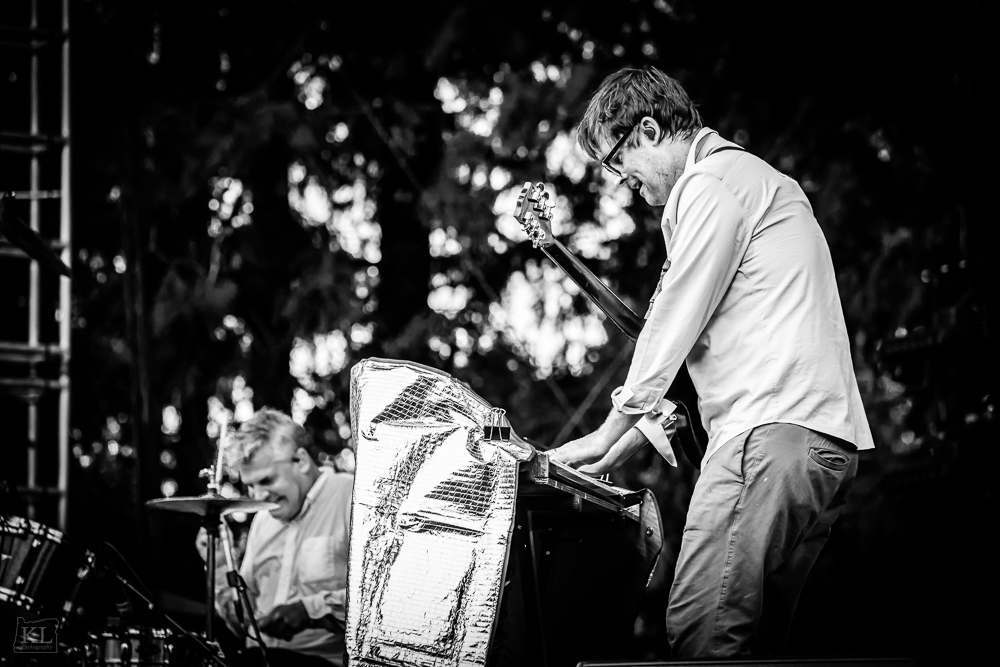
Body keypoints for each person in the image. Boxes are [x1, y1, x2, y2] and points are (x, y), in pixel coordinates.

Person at [549, 66, 874, 659]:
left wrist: (604, 433)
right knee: (754, 647)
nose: (626, 183)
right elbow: (692, 368)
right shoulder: (757, 184)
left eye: (619, 162)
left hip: (766, 436)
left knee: (701, 629)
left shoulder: (711, 183)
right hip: (819, 448)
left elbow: (671, 319)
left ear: (648, 130)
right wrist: (612, 453)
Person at [196, 408, 353, 666]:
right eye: (250, 485)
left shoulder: (350, 497)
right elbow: (243, 625)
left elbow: (384, 606)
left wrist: (309, 610)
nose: (258, 497)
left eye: (266, 480)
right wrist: (220, 563)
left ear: (300, 460)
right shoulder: (262, 521)